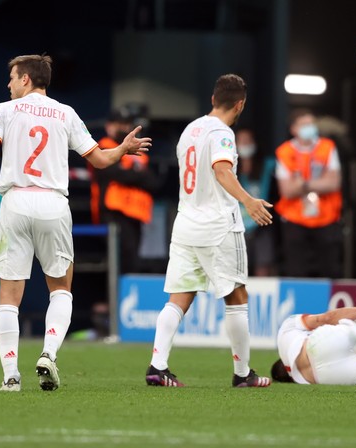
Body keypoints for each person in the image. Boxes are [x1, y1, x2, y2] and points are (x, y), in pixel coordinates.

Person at [0, 54, 151, 392]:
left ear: (26, 79)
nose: (7, 84)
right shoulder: (66, 113)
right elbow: (101, 159)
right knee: (61, 289)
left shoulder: (5, 111)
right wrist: (123, 148)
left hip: (16, 202)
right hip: (53, 204)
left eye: (12, 77)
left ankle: (10, 376)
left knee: (9, 295)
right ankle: (48, 353)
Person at [145, 74, 273, 388]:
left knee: (179, 298)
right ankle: (243, 374)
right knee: (237, 296)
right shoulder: (223, 134)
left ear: (213, 99)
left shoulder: (190, 130)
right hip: (217, 226)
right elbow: (221, 169)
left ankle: (157, 366)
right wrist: (248, 201)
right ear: (240, 104)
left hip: (186, 223)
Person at [274, 110, 343, 278]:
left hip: (326, 218)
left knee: (329, 269)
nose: (309, 128)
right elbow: (287, 190)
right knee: (296, 270)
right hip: (295, 219)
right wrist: (319, 183)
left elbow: (333, 183)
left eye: (311, 123)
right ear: (293, 129)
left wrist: (303, 184)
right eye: (304, 124)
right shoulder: (284, 152)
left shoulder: (327, 147)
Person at [89, 109, 156, 275]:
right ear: (109, 126)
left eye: (126, 124)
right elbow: (112, 172)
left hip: (136, 213)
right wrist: (136, 173)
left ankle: (125, 297)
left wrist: (132, 173)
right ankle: (115, 300)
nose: (123, 128)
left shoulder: (138, 150)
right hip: (113, 212)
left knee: (133, 262)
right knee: (119, 261)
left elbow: (152, 181)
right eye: (119, 124)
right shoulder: (104, 146)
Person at [235, 128, 276, 276]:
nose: (245, 144)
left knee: (263, 265)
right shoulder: (228, 168)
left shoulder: (267, 166)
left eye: (248, 141)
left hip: (261, 224)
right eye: (241, 141)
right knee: (235, 268)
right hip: (235, 225)